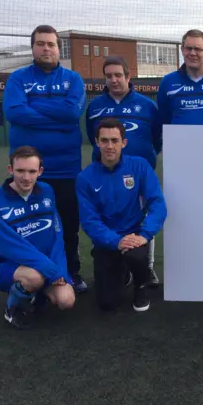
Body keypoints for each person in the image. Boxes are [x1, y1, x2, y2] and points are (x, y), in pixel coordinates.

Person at [3, 25, 88, 293]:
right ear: (33, 48)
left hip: (65, 169)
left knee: (67, 224)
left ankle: (71, 273)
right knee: (28, 227)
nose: (46, 48)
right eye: (41, 44)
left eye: (51, 44)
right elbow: (15, 112)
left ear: (58, 48)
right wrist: (57, 117)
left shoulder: (73, 79)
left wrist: (34, 107)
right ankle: (32, 277)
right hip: (28, 172)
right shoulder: (17, 78)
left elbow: (72, 114)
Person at [85, 56, 162, 287]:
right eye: (109, 76)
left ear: (128, 77)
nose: (114, 80)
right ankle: (117, 264)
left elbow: (157, 138)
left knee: (144, 218)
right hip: (106, 173)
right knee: (107, 216)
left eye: (118, 75)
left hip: (139, 174)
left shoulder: (148, 105)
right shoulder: (95, 106)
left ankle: (146, 268)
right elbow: (93, 137)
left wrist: (144, 160)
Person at [76, 118, 167, 312]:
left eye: (115, 140)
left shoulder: (140, 166)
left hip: (135, 236)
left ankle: (140, 286)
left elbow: (157, 203)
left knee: (136, 256)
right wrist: (116, 241)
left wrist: (144, 235)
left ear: (123, 143)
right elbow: (89, 221)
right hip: (107, 240)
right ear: (97, 142)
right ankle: (123, 272)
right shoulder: (85, 178)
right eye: (105, 140)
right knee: (107, 303)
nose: (110, 146)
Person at [0, 146, 76, 329]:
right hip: (9, 264)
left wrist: (60, 268)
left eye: (32, 171)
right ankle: (12, 309)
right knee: (34, 277)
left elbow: (57, 233)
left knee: (67, 301)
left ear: (40, 171)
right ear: (10, 170)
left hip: (46, 263)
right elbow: (8, 245)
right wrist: (49, 269)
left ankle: (36, 294)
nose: (26, 177)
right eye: (20, 171)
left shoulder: (47, 191)